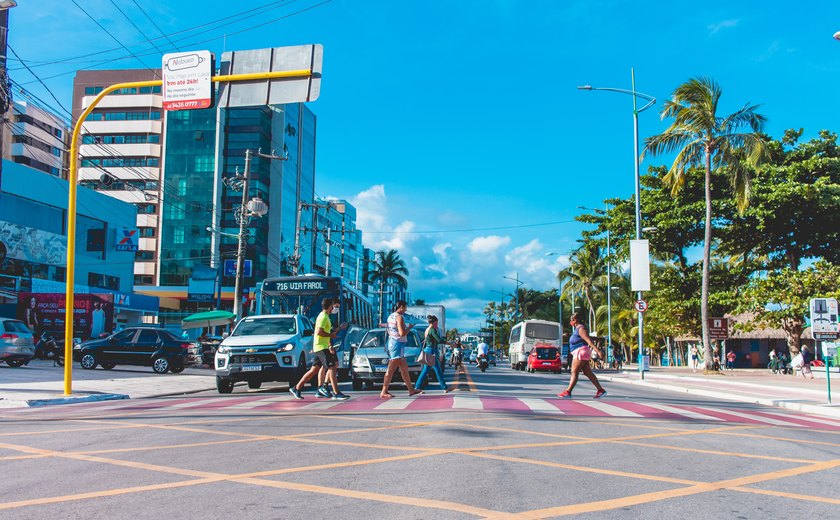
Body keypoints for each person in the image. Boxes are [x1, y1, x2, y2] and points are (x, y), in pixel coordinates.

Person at [289, 298, 349, 400]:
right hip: (321, 347)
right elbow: (319, 332)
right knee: (332, 366)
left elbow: (329, 330)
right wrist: (331, 336)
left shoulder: (326, 317)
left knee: (314, 370)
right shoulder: (323, 317)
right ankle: (336, 392)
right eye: (334, 306)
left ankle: (296, 388)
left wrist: (339, 329)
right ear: (330, 305)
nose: (334, 308)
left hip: (321, 346)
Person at [380, 300, 423, 399]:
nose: (406, 310)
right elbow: (402, 333)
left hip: (393, 343)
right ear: (401, 307)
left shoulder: (391, 316)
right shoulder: (399, 317)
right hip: (397, 344)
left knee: (404, 368)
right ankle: (384, 391)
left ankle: (411, 389)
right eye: (405, 308)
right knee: (391, 369)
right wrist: (409, 328)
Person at [558, 313, 606, 399]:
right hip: (581, 352)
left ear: (575, 320)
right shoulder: (577, 329)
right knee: (587, 372)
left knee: (574, 372)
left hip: (580, 352)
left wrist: (598, 351)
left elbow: (589, 341)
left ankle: (568, 392)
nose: (570, 322)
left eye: (571, 320)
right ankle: (600, 390)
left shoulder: (581, 328)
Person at [415, 315, 449, 393]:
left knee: (425, 370)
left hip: (428, 350)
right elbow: (438, 340)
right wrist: (448, 342)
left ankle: (417, 387)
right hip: (432, 351)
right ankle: (445, 387)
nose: (437, 325)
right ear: (433, 323)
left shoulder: (427, 329)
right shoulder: (432, 330)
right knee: (438, 370)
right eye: (436, 323)